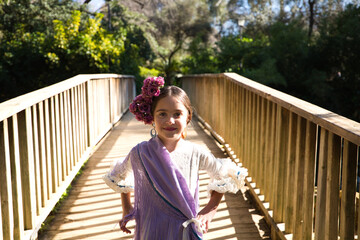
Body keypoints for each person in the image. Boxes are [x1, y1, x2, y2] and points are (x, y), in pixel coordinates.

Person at [103, 76, 247, 240]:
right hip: (151, 228)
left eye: (177, 114)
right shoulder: (140, 153)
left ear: (188, 117)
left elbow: (225, 175)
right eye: (162, 114)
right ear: (152, 118)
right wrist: (127, 207)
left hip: (184, 231)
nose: (170, 121)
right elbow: (119, 174)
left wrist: (210, 210)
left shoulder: (196, 152)